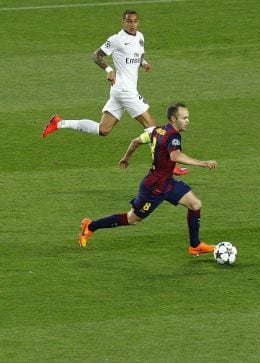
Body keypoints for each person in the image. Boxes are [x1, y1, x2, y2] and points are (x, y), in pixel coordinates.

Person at [42, 9, 188, 176]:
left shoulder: (140, 37)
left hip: (121, 91)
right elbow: (96, 56)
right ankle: (169, 166)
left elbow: (138, 55)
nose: (132, 24)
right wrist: (109, 70)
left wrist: (144, 63)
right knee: (152, 127)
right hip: (124, 90)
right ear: (123, 22)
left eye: (135, 21)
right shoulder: (116, 39)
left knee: (103, 129)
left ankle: (59, 123)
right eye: (129, 21)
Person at [78, 102, 216, 256]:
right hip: (154, 187)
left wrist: (126, 158)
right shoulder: (174, 136)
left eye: (187, 117)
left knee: (195, 204)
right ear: (173, 119)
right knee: (132, 219)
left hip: (166, 182)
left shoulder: (158, 130)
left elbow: (135, 141)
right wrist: (203, 163)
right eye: (184, 118)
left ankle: (195, 245)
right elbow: (175, 155)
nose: (187, 121)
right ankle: (90, 226)